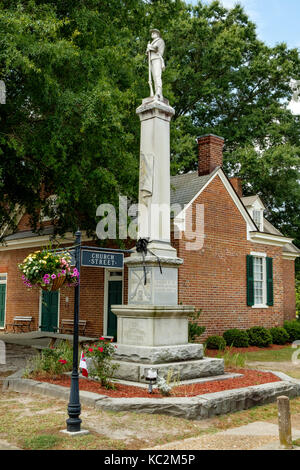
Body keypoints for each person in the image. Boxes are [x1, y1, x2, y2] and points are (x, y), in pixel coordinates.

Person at [146, 29, 165, 100]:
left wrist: (149, 47)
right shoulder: (152, 42)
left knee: (157, 76)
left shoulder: (160, 41)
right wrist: (148, 50)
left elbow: (156, 49)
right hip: (152, 60)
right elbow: (148, 53)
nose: (152, 34)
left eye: (153, 33)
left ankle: (158, 92)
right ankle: (157, 93)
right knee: (154, 78)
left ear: (157, 34)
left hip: (157, 58)